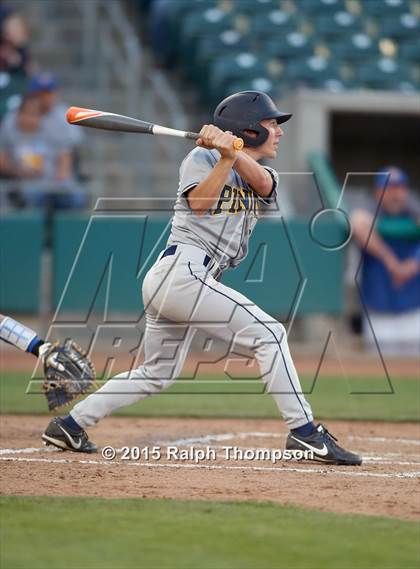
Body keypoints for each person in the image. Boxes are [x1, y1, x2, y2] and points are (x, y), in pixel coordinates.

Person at [42, 91, 362, 465]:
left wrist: (232, 153)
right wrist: (223, 158)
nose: (278, 132)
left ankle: (70, 425)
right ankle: (305, 432)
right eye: (271, 124)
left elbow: (262, 185)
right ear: (248, 129)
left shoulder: (264, 173)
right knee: (270, 333)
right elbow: (200, 203)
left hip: (187, 277)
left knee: (157, 372)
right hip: (182, 273)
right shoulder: (200, 157)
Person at [351, 167, 420, 355]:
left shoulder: (412, 210)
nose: (396, 194)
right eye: (390, 189)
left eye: (400, 188)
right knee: (379, 371)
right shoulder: (369, 209)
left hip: (414, 309)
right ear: (378, 191)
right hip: (378, 310)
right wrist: (393, 264)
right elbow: (357, 224)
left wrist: (412, 265)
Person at [0, 93, 86, 209]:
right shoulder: (10, 132)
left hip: (54, 184)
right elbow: (2, 161)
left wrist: (60, 178)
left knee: (76, 198)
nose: (32, 119)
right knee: (31, 197)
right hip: (27, 186)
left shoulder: (51, 129)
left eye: (36, 115)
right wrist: (20, 171)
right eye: (28, 114)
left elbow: (64, 157)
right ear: (19, 114)